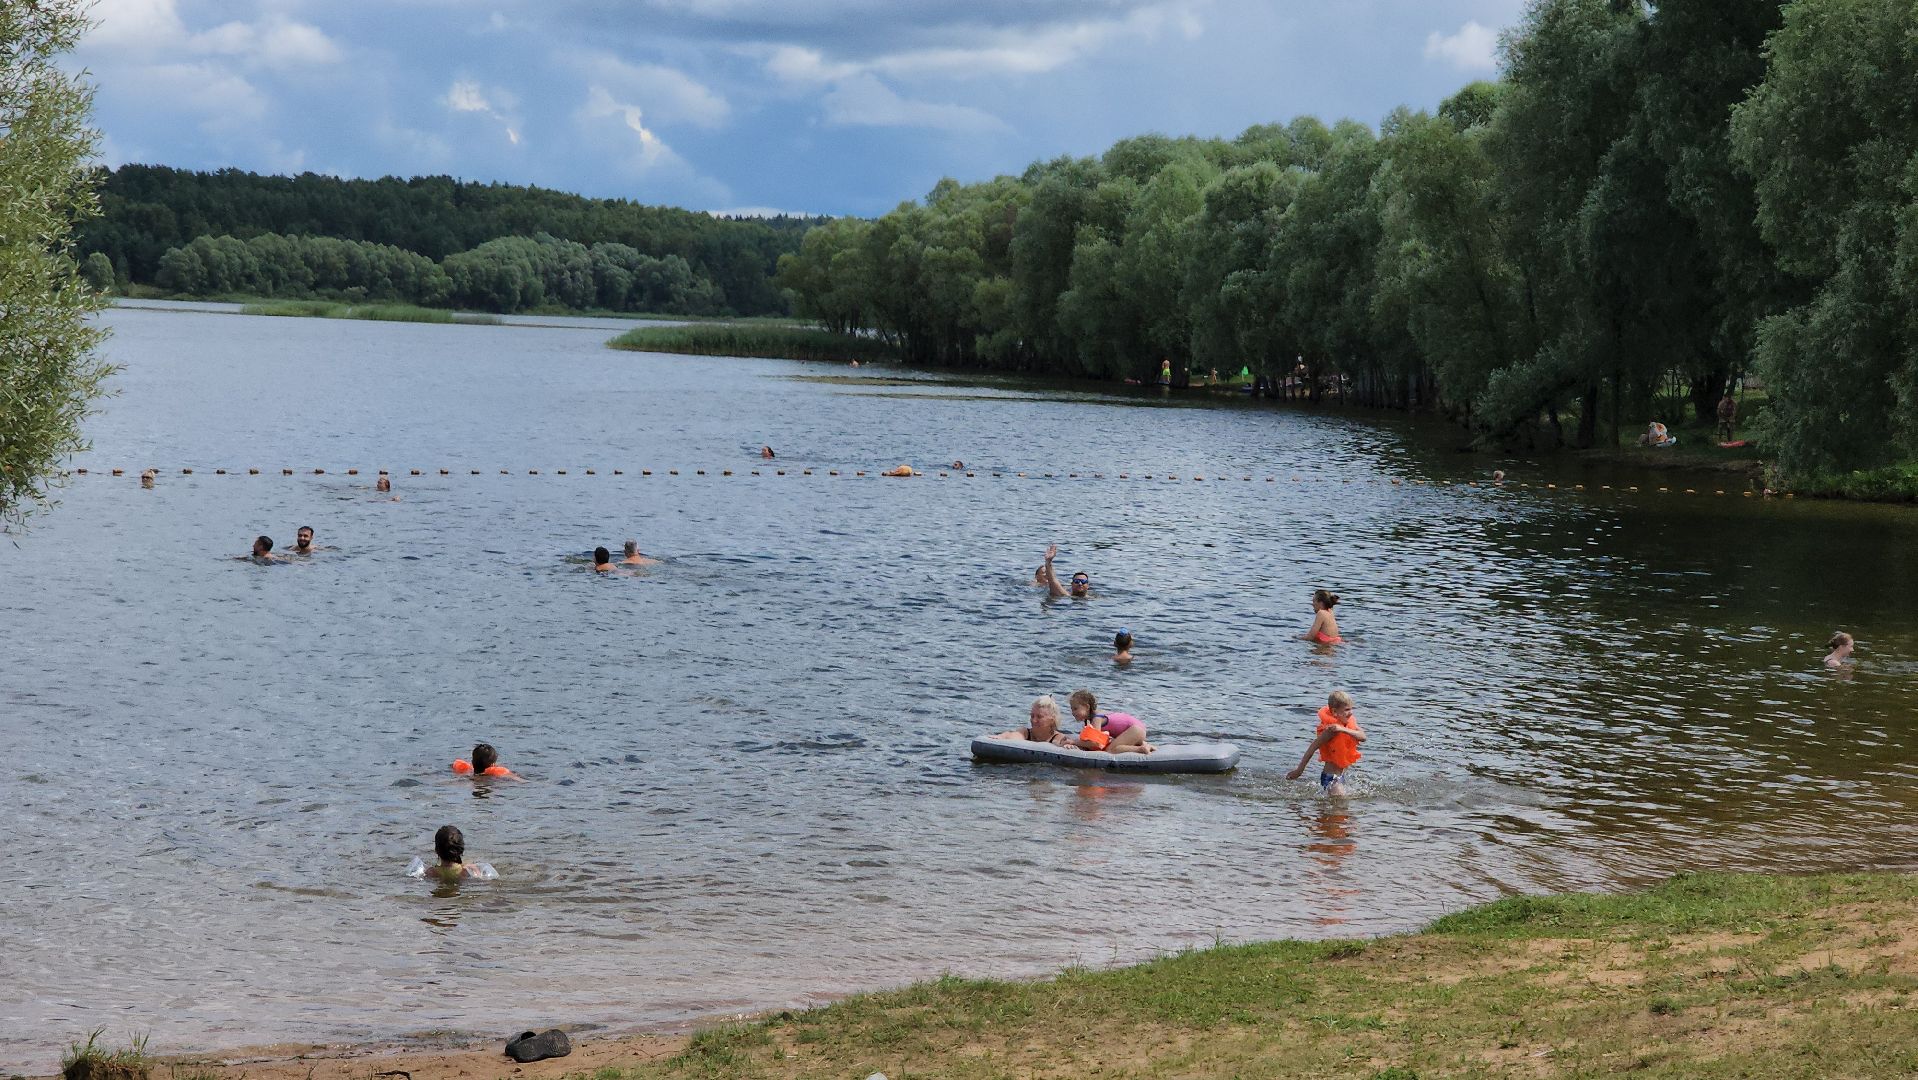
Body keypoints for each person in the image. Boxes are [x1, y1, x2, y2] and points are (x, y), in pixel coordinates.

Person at [1286, 690, 1366, 795]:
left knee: (1340, 808)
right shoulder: (1330, 731)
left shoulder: (1347, 725)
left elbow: (1363, 737)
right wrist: (1299, 771)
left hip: (1340, 777)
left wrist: (1342, 729)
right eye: (1346, 709)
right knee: (1340, 806)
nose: (1350, 713)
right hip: (1330, 777)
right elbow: (1312, 747)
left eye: (1351, 709)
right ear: (1334, 712)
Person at [1068, 689, 1152, 754]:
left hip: (1135, 730)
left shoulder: (1097, 719)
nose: (1073, 712)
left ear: (1087, 707)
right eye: (1071, 709)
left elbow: (1095, 743)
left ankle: (1141, 749)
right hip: (1136, 730)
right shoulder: (1090, 719)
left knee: (1110, 750)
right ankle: (1143, 745)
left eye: (1075, 709)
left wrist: (1073, 742)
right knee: (1112, 745)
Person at [991, 695, 1072, 746]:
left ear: (1052, 720)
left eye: (1039, 717)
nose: (1033, 720)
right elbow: (1012, 735)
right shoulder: (1025, 732)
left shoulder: (1059, 737)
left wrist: (1066, 746)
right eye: (1032, 716)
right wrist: (1001, 736)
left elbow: (1059, 744)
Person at [453, 742, 519, 779]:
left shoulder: (467, 774)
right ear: (492, 765)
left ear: (472, 762)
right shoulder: (495, 777)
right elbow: (521, 781)